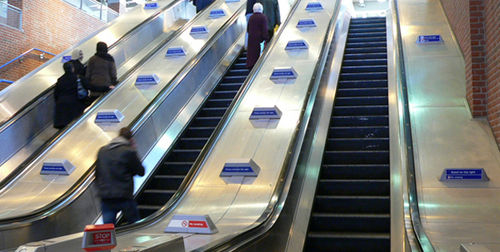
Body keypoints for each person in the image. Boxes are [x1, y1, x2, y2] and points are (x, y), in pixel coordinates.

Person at [95, 127, 145, 225]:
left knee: (108, 230)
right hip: (124, 196)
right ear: (130, 139)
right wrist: (134, 150)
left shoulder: (102, 151)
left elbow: (97, 173)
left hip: (106, 196)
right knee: (135, 226)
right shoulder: (129, 151)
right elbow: (141, 171)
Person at [53, 62, 85, 129]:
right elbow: (90, 86)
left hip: (61, 105)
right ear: (72, 69)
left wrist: (58, 101)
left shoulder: (60, 80)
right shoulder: (77, 78)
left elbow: (56, 93)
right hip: (74, 104)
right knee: (73, 125)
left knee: (62, 127)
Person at [246, 3, 269, 69]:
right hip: (259, 42)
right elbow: (265, 30)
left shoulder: (251, 17)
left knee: (251, 57)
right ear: (261, 9)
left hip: (251, 41)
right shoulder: (263, 17)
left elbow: (248, 30)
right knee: (257, 57)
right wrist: (267, 39)